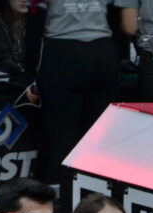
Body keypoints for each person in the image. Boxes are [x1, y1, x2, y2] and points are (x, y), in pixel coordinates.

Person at [30, 0, 120, 182]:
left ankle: (62, 190)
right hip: (102, 52)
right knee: (99, 134)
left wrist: (29, 76)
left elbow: (34, 26)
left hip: (63, 54)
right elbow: (117, 18)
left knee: (62, 135)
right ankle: (98, 191)